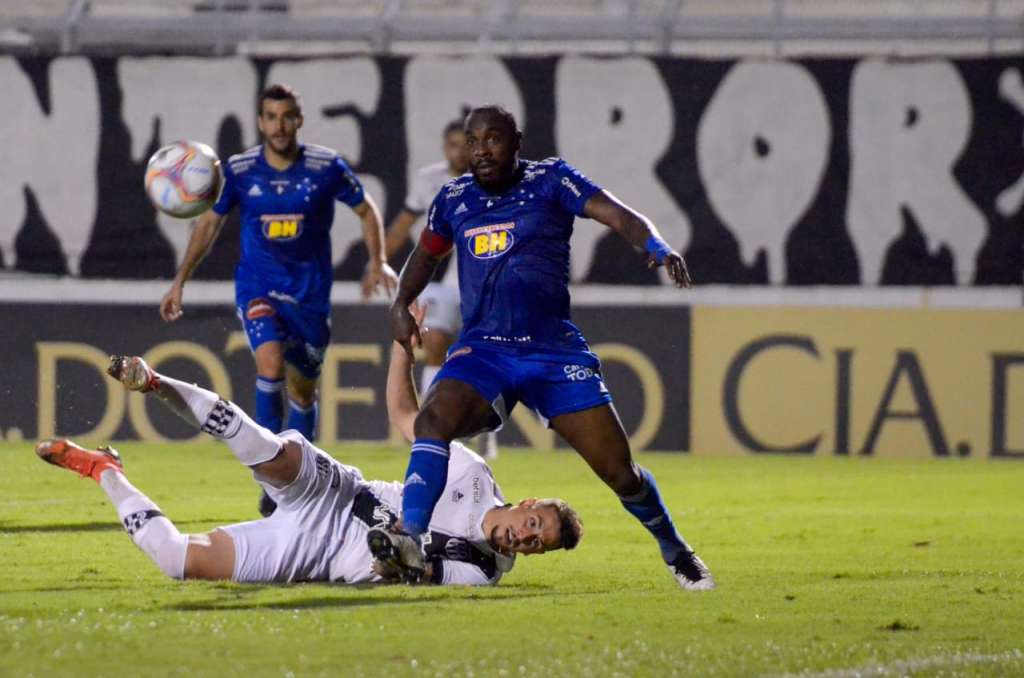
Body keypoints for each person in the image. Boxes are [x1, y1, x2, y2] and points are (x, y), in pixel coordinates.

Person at [387, 105, 714, 590]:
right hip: (485, 350)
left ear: (517, 141)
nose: (481, 151)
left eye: (493, 140)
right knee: (433, 420)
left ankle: (675, 549)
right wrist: (401, 302)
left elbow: (618, 214)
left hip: (553, 353)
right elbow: (426, 254)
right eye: (473, 142)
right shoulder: (454, 198)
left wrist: (657, 246)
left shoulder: (552, 180)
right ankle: (408, 539)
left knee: (620, 474)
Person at [33, 345, 583, 585]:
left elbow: (418, 572)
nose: (527, 539)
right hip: (339, 495)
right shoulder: (472, 475)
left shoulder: (484, 571)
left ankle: (102, 469)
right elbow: (404, 417)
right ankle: (154, 381)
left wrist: (397, 562)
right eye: (536, 526)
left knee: (176, 561)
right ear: (528, 504)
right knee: (274, 455)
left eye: (540, 545)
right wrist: (400, 347)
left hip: (318, 553)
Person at [159, 84, 397, 517]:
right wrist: (180, 280)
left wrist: (377, 261)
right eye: (271, 116)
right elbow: (209, 225)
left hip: (309, 299)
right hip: (258, 287)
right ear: (261, 122)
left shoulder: (327, 167)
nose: (280, 125)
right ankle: (271, 475)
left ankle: (300, 472)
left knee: (302, 393)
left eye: (287, 116)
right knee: (268, 364)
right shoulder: (240, 170)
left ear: (299, 120)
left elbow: (367, 210)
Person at [384, 120, 498, 459]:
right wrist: (377, 261)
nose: (459, 151)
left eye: (464, 144)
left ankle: (486, 428)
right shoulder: (429, 180)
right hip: (438, 280)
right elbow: (405, 223)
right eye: (452, 144)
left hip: (480, 280)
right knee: (433, 341)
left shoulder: (490, 182)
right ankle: (434, 425)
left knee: (484, 354)